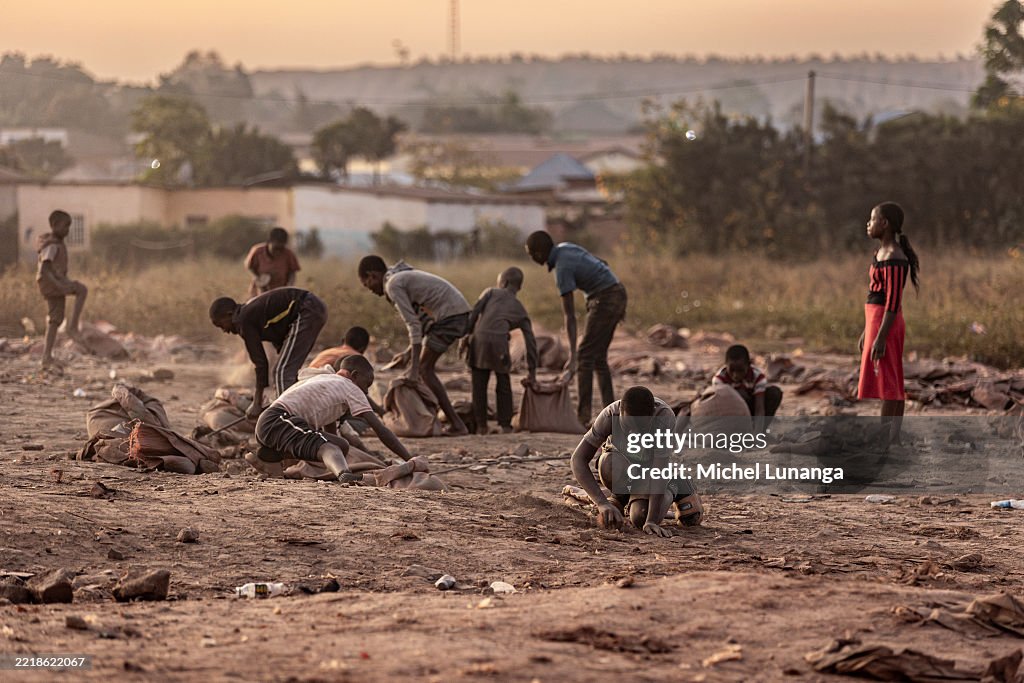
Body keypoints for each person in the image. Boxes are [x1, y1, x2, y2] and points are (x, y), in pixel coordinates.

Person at [248, 355, 414, 479]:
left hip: (274, 423)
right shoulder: (350, 387)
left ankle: (268, 456)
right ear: (354, 375)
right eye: (366, 384)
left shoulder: (327, 380)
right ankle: (344, 475)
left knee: (340, 444)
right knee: (330, 449)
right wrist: (410, 460)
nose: (366, 392)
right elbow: (380, 429)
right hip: (279, 420)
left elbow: (331, 432)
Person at [358, 255, 471, 435]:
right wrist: (409, 353)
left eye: (367, 284)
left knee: (424, 369)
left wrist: (414, 368)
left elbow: (414, 325)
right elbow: (423, 323)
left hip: (450, 317)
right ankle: (445, 419)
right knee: (422, 368)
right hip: (454, 314)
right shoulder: (398, 278)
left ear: (372, 276)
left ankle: (456, 423)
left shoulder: (393, 285)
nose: (370, 290)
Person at [570, 385, 703, 536]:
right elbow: (578, 459)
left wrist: (651, 520)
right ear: (620, 412)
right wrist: (602, 503)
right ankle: (620, 498)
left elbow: (658, 472)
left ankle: (677, 484)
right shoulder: (609, 415)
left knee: (640, 517)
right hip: (625, 468)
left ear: (652, 416)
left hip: (650, 472)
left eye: (640, 429)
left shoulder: (663, 418)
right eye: (627, 427)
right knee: (609, 465)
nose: (633, 434)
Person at [525, 230, 627, 426]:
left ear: (538, 254)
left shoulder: (562, 269)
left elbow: (569, 316)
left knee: (585, 357)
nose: (531, 258)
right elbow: (602, 263)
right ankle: (612, 413)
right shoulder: (566, 247)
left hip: (605, 299)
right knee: (598, 358)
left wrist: (573, 355)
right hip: (618, 292)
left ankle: (583, 417)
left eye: (530, 254)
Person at [209, 287, 327, 419]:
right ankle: (300, 411)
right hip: (313, 308)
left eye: (221, 325)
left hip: (306, 309)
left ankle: (288, 422)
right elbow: (280, 333)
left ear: (229, 314)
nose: (224, 331)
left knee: (282, 372)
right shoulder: (250, 313)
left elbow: (260, 363)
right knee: (287, 372)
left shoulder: (243, 320)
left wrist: (257, 403)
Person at [858, 202, 920, 446]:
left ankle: (886, 439)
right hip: (876, 319)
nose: (868, 224)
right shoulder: (881, 254)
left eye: (872, 219)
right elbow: (876, 294)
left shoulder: (895, 257)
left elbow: (893, 302)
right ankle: (891, 438)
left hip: (887, 323)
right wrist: (868, 331)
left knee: (889, 381)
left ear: (884, 224)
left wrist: (881, 336)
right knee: (890, 378)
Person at [462, 267, 539, 434]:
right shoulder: (519, 308)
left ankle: (481, 425)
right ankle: (505, 425)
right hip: (499, 346)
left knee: (479, 385)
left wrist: (466, 335)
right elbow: (530, 340)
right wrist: (532, 371)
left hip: (479, 342)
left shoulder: (489, 292)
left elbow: (474, 313)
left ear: (503, 283)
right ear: (518, 287)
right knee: (503, 383)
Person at [36, 210, 88, 370]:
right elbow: (45, 268)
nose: (67, 230)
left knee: (55, 319)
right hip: (52, 283)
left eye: (69, 227)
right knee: (81, 290)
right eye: (65, 226)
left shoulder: (56, 243)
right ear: (54, 225)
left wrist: (62, 282)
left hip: (55, 282)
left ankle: (46, 357)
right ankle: (72, 328)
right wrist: (59, 285)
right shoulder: (52, 245)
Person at [711, 344, 783, 432]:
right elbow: (719, 409)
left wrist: (757, 434)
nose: (736, 375)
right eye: (732, 370)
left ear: (749, 365)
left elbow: (759, 408)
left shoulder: (757, 376)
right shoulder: (719, 379)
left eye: (740, 370)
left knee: (774, 393)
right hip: (729, 412)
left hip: (751, 408)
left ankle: (760, 431)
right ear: (726, 365)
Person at [245, 227, 301, 299]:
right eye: (276, 248)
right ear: (269, 242)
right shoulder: (257, 251)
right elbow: (250, 267)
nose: (278, 252)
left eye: (281, 249)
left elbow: (292, 272)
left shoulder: (288, 254)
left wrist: (289, 287)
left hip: (280, 294)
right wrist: (259, 278)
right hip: (259, 294)